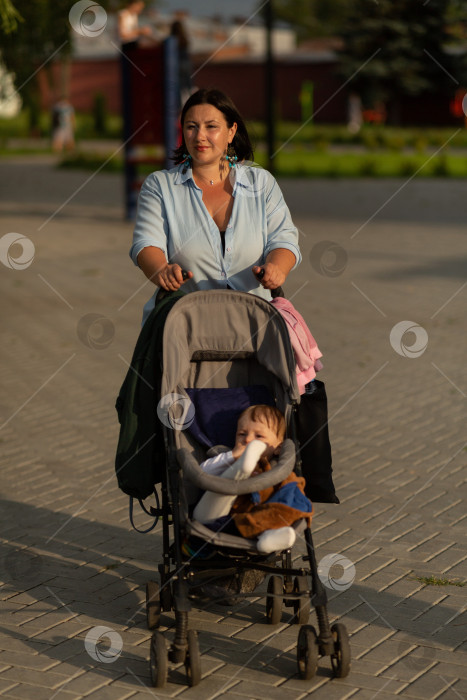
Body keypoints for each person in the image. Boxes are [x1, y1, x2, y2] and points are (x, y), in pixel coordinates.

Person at [129, 88, 301, 325]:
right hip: (183, 328)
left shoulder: (260, 182)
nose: (200, 136)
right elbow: (145, 243)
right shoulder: (160, 186)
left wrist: (276, 268)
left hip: (254, 329)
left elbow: (284, 239)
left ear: (231, 132)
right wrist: (161, 271)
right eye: (191, 126)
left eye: (211, 126)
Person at [193, 405, 313, 554]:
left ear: (278, 448)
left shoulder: (277, 470)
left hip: (247, 524)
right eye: (242, 434)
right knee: (224, 482)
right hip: (212, 518)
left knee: (282, 493)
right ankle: (241, 468)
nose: (248, 439)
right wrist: (232, 456)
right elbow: (201, 473)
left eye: (259, 436)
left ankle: (269, 538)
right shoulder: (224, 456)